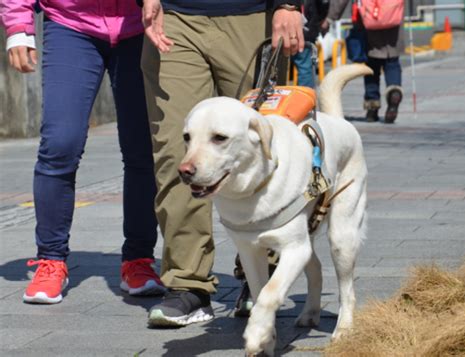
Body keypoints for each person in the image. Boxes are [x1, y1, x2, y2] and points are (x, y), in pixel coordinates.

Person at [139, 0, 305, 327]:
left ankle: (260, 274)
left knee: (261, 145)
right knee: (179, 151)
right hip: (174, 18)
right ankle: (188, 283)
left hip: (252, 14)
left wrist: (288, 5)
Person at [0, 1, 166, 304]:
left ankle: (139, 260)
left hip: (140, 24)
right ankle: (51, 259)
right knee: (60, 144)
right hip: (70, 23)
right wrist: (18, 27)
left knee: (142, 148)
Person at [321, 0, 404, 123]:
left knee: (371, 67)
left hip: (368, 25)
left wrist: (329, 18)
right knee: (392, 62)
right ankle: (394, 92)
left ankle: (372, 107)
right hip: (393, 27)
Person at [292, 0, 329, 88]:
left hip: (286, 26)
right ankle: (306, 98)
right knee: (305, 67)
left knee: (276, 65)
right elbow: (324, 5)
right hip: (307, 28)